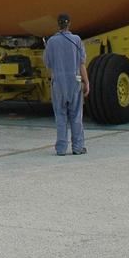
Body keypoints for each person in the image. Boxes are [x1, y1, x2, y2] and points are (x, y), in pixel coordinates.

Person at [42, 13, 89, 156]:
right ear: (69, 24)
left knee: (60, 116)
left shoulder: (51, 42)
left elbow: (47, 64)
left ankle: (61, 148)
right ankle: (78, 147)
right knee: (76, 116)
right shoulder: (77, 40)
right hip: (74, 82)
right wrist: (86, 82)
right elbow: (82, 64)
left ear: (58, 24)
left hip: (58, 83)